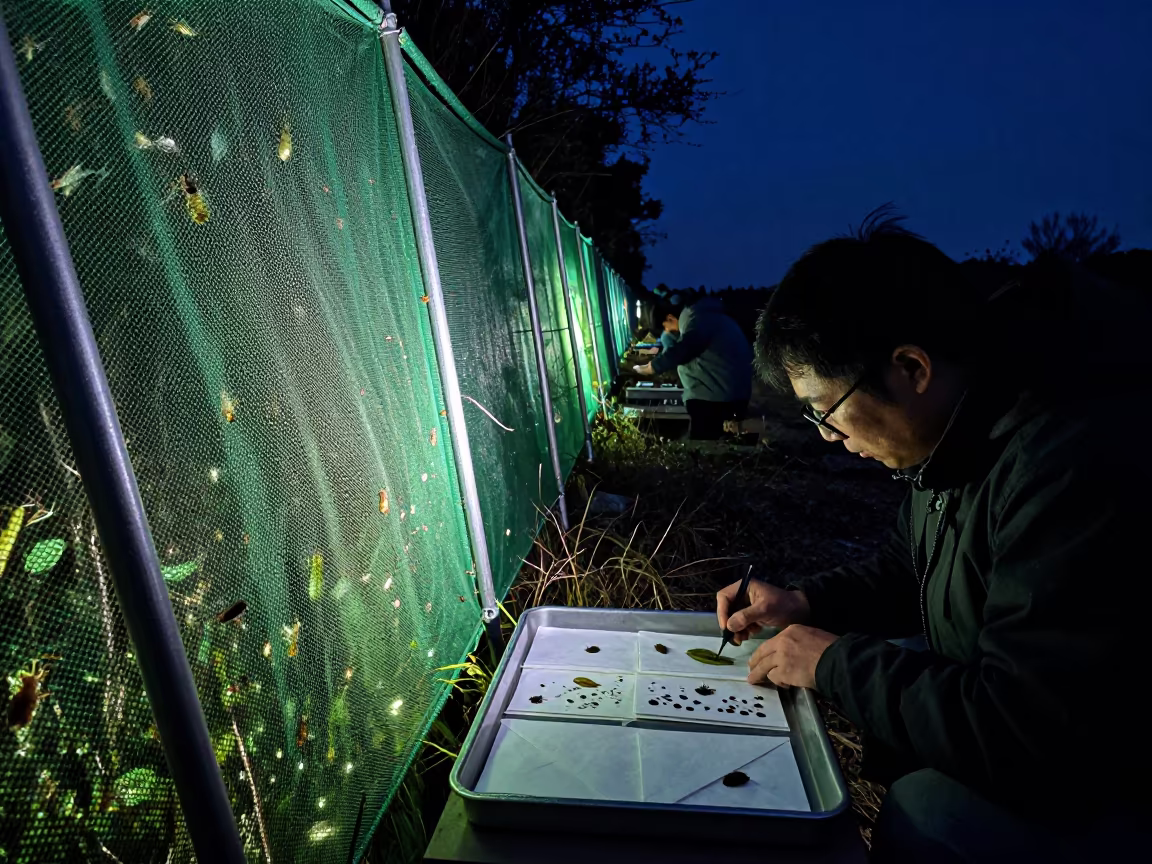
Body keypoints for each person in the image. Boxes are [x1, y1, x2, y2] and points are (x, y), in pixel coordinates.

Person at [714, 208, 1151, 862]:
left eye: (830, 414)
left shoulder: (1069, 462)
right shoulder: (962, 428)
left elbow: (1026, 726)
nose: (834, 440)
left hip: (1112, 785)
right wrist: (806, 604)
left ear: (912, 368)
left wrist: (836, 663)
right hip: (1042, 740)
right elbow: (911, 565)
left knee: (928, 815)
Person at [635, 295, 753, 439]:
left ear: (671, 318)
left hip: (720, 398)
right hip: (733, 391)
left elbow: (685, 349)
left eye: (666, 327)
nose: (668, 332)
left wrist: (651, 367)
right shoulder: (709, 317)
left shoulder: (697, 320)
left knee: (704, 445)